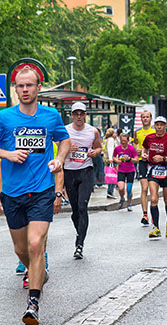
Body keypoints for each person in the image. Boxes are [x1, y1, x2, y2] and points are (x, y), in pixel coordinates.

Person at [0, 66, 70, 325]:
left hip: (41, 190)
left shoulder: (51, 116)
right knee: (21, 250)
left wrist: (60, 159)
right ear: (15, 88)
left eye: (29, 85)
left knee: (34, 244)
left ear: (38, 87)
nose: (25, 90)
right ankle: (38, 272)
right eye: (20, 86)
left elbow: (64, 141)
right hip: (12, 193)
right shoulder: (4, 117)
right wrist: (7, 154)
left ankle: (33, 303)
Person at [64, 101, 102, 260]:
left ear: (85, 115)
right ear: (72, 115)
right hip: (69, 171)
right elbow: (57, 148)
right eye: (76, 114)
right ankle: (80, 231)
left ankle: (79, 244)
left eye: (82, 114)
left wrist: (95, 152)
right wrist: (67, 148)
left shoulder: (93, 131)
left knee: (82, 206)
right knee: (75, 211)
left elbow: (99, 148)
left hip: (86, 171)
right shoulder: (65, 131)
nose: (79, 117)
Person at [141, 116, 167, 238]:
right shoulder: (149, 138)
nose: (159, 127)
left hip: (166, 170)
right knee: (153, 199)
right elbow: (144, 147)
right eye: (157, 124)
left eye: (161, 125)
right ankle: (156, 227)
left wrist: (163, 158)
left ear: (165, 126)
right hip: (153, 170)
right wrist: (144, 154)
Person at [133, 110, 155, 226]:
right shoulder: (137, 132)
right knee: (144, 188)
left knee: (153, 189)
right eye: (143, 117)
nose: (145, 119)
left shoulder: (155, 131)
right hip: (142, 162)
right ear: (141, 119)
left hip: (153, 162)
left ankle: (153, 213)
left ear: (151, 118)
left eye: (147, 117)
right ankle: (145, 214)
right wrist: (137, 149)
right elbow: (135, 143)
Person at [113, 132, 138, 211]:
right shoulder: (117, 148)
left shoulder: (131, 148)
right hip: (121, 170)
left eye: (125, 140)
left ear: (128, 140)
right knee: (121, 188)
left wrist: (129, 159)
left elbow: (136, 159)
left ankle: (129, 203)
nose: (123, 142)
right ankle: (122, 197)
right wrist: (117, 161)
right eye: (122, 140)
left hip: (130, 170)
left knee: (129, 189)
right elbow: (113, 157)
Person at [103, 128, 118, 199]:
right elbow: (110, 149)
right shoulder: (111, 140)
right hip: (112, 160)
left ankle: (110, 191)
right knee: (113, 175)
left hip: (109, 160)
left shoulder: (108, 140)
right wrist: (111, 159)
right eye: (114, 133)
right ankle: (110, 191)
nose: (116, 134)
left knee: (111, 175)